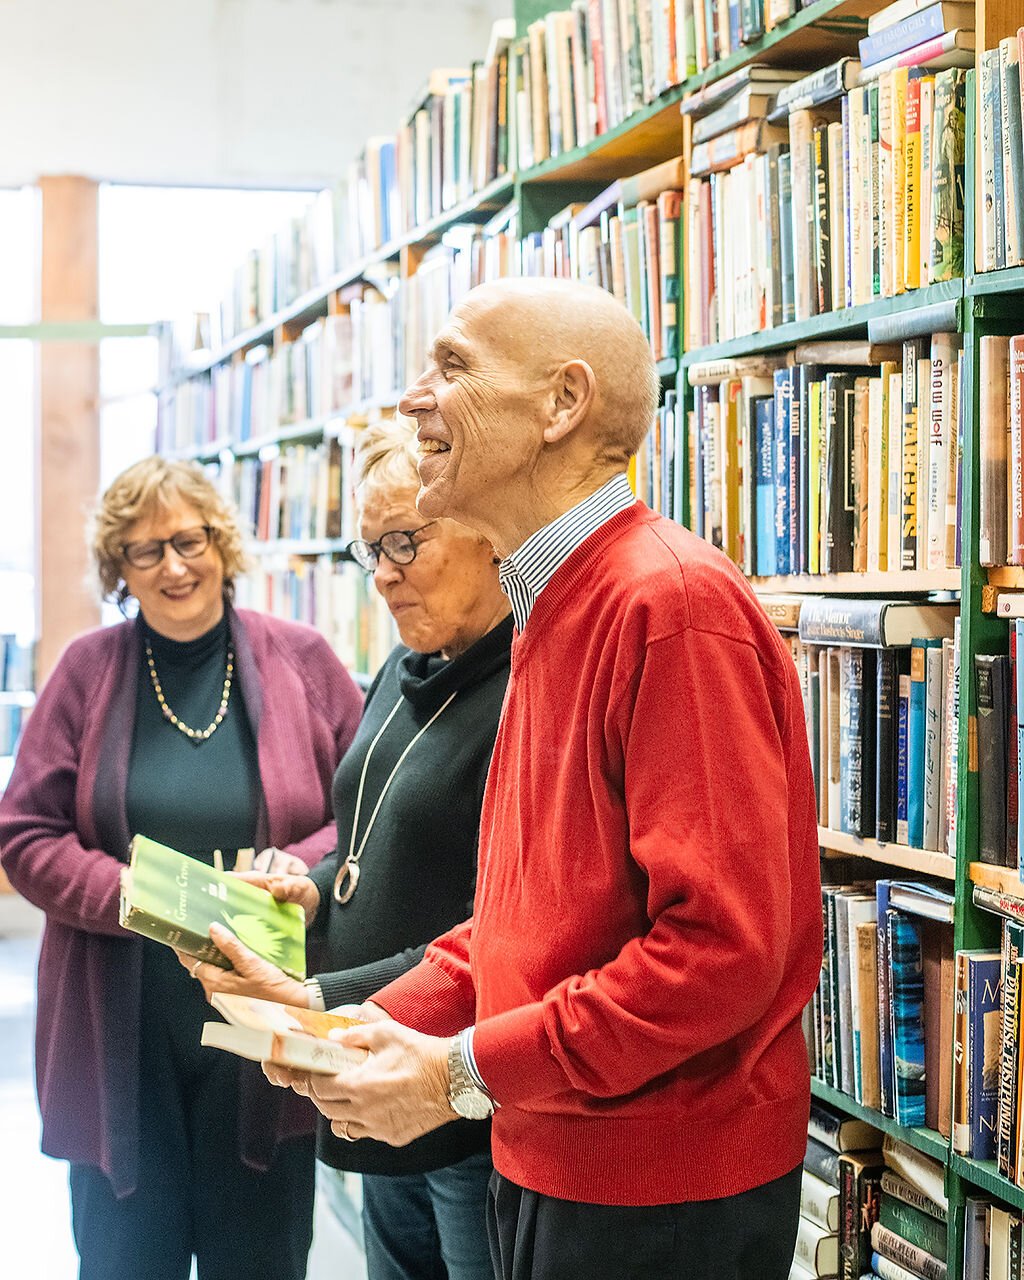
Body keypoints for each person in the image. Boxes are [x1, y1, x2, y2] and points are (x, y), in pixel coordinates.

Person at [266, 277, 825, 1280]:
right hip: (557, 1155)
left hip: (657, 1191)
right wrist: (372, 1018)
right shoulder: (550, 605)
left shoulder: (669, 605)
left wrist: (457, 1073)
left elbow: (717, 952)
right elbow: (530, 915)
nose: (411, 399)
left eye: (453, 367)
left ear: (561, 405)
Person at [0, 456, 363, 1280]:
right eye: (143, 550)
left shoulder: (304, 661)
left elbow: (367, 813)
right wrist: (127, 893)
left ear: (221, 542)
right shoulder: (85, 674)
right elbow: (24, 830)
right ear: (118, 570)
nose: (173, 565)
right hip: (119, 1036)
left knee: (262, 1257)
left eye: (189, 539)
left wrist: (301, 865)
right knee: (128, 1259)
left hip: (262, 1039)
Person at [181, 417, 512, 1280]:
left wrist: (324, 993)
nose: (386, 575)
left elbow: (504, 922)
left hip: (457, 1086)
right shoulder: (406, 670)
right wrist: (318, 889)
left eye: (406, 540)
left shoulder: (529, 690)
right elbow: (373, 840)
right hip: (366, 1066)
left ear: (485, 529)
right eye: (373, 551)